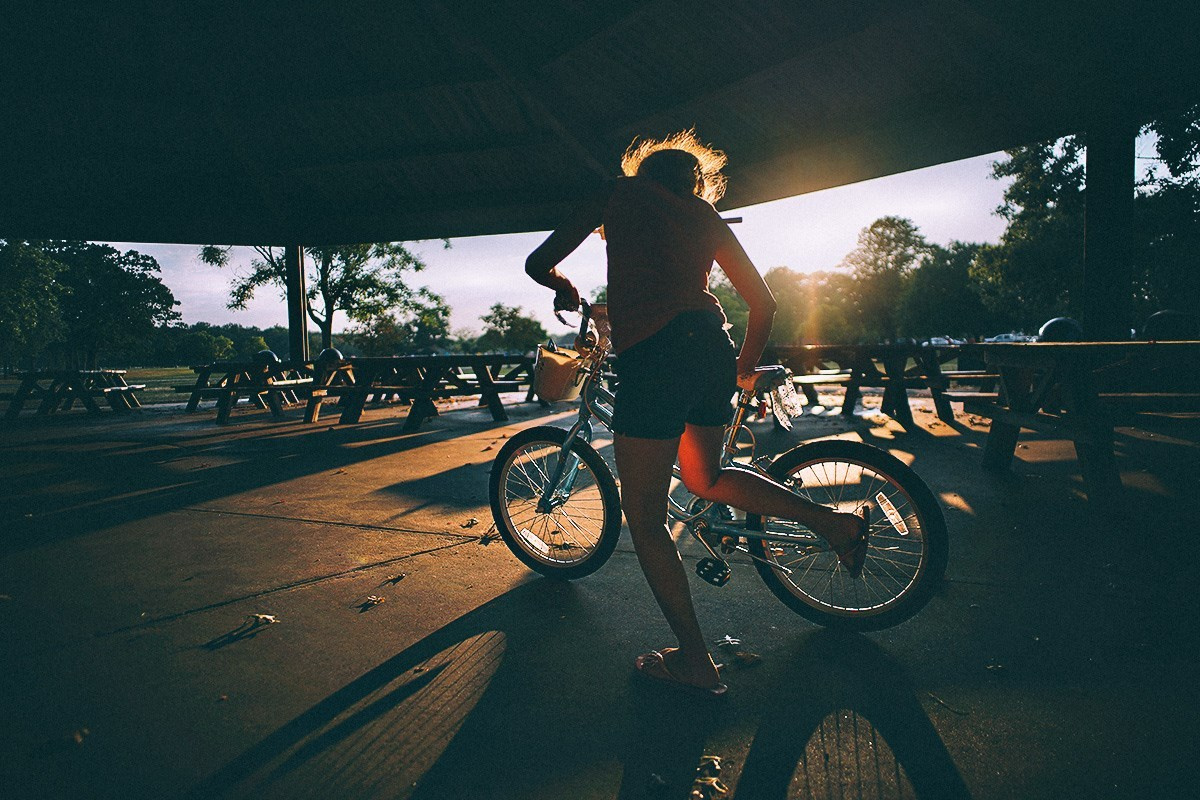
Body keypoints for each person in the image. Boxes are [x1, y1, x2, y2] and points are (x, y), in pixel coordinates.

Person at [525, 131, 868, 696]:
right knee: (705, 477)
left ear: (643, 173)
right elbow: (765, 302)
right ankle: (836, 525)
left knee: (645, 515)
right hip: (710, 345)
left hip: (655, 357)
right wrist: (743, 366)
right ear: (696, 182)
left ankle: (694, 660)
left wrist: (562, 284)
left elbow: (541, 261)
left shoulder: (617, 193)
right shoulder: (705, 215)